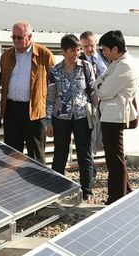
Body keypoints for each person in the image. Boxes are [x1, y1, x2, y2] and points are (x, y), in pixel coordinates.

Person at [46, 34, 95, 203]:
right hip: (61, 118)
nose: (76, 53)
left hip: (82, 117)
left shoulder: (86, 67)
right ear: (63, 51)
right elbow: (50, 98)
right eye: (73, 50)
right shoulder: (54, 71)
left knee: (85, 155)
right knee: (60, 154)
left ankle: (87, 191)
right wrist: (49, 121)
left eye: (78, 50)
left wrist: (98, 112)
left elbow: (93, 92)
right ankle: (56, 191)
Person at [0, 21, 55, 164]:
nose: (16, 41)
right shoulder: (6, 56)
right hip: (11, 110)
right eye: (13, 37)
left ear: (29, 37)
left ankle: (37, 185)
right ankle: (12, 186)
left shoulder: (44, 54)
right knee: (11, 155)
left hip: (35, 112)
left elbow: (54, 86)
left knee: (36, 156)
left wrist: (51, 115)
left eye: (19, 37)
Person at [94, 30, 139, 205]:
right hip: (110, 115)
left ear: (114, 48)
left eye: (104, 49)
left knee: (115, 159)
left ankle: (117, 197)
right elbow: (98, 83)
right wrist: (100, 86)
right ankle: (124, 191)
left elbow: (102, 90)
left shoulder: (124, 66)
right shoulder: (117, 62)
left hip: (115, 116)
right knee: (115, 156)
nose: (103, 53)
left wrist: (101, 87)